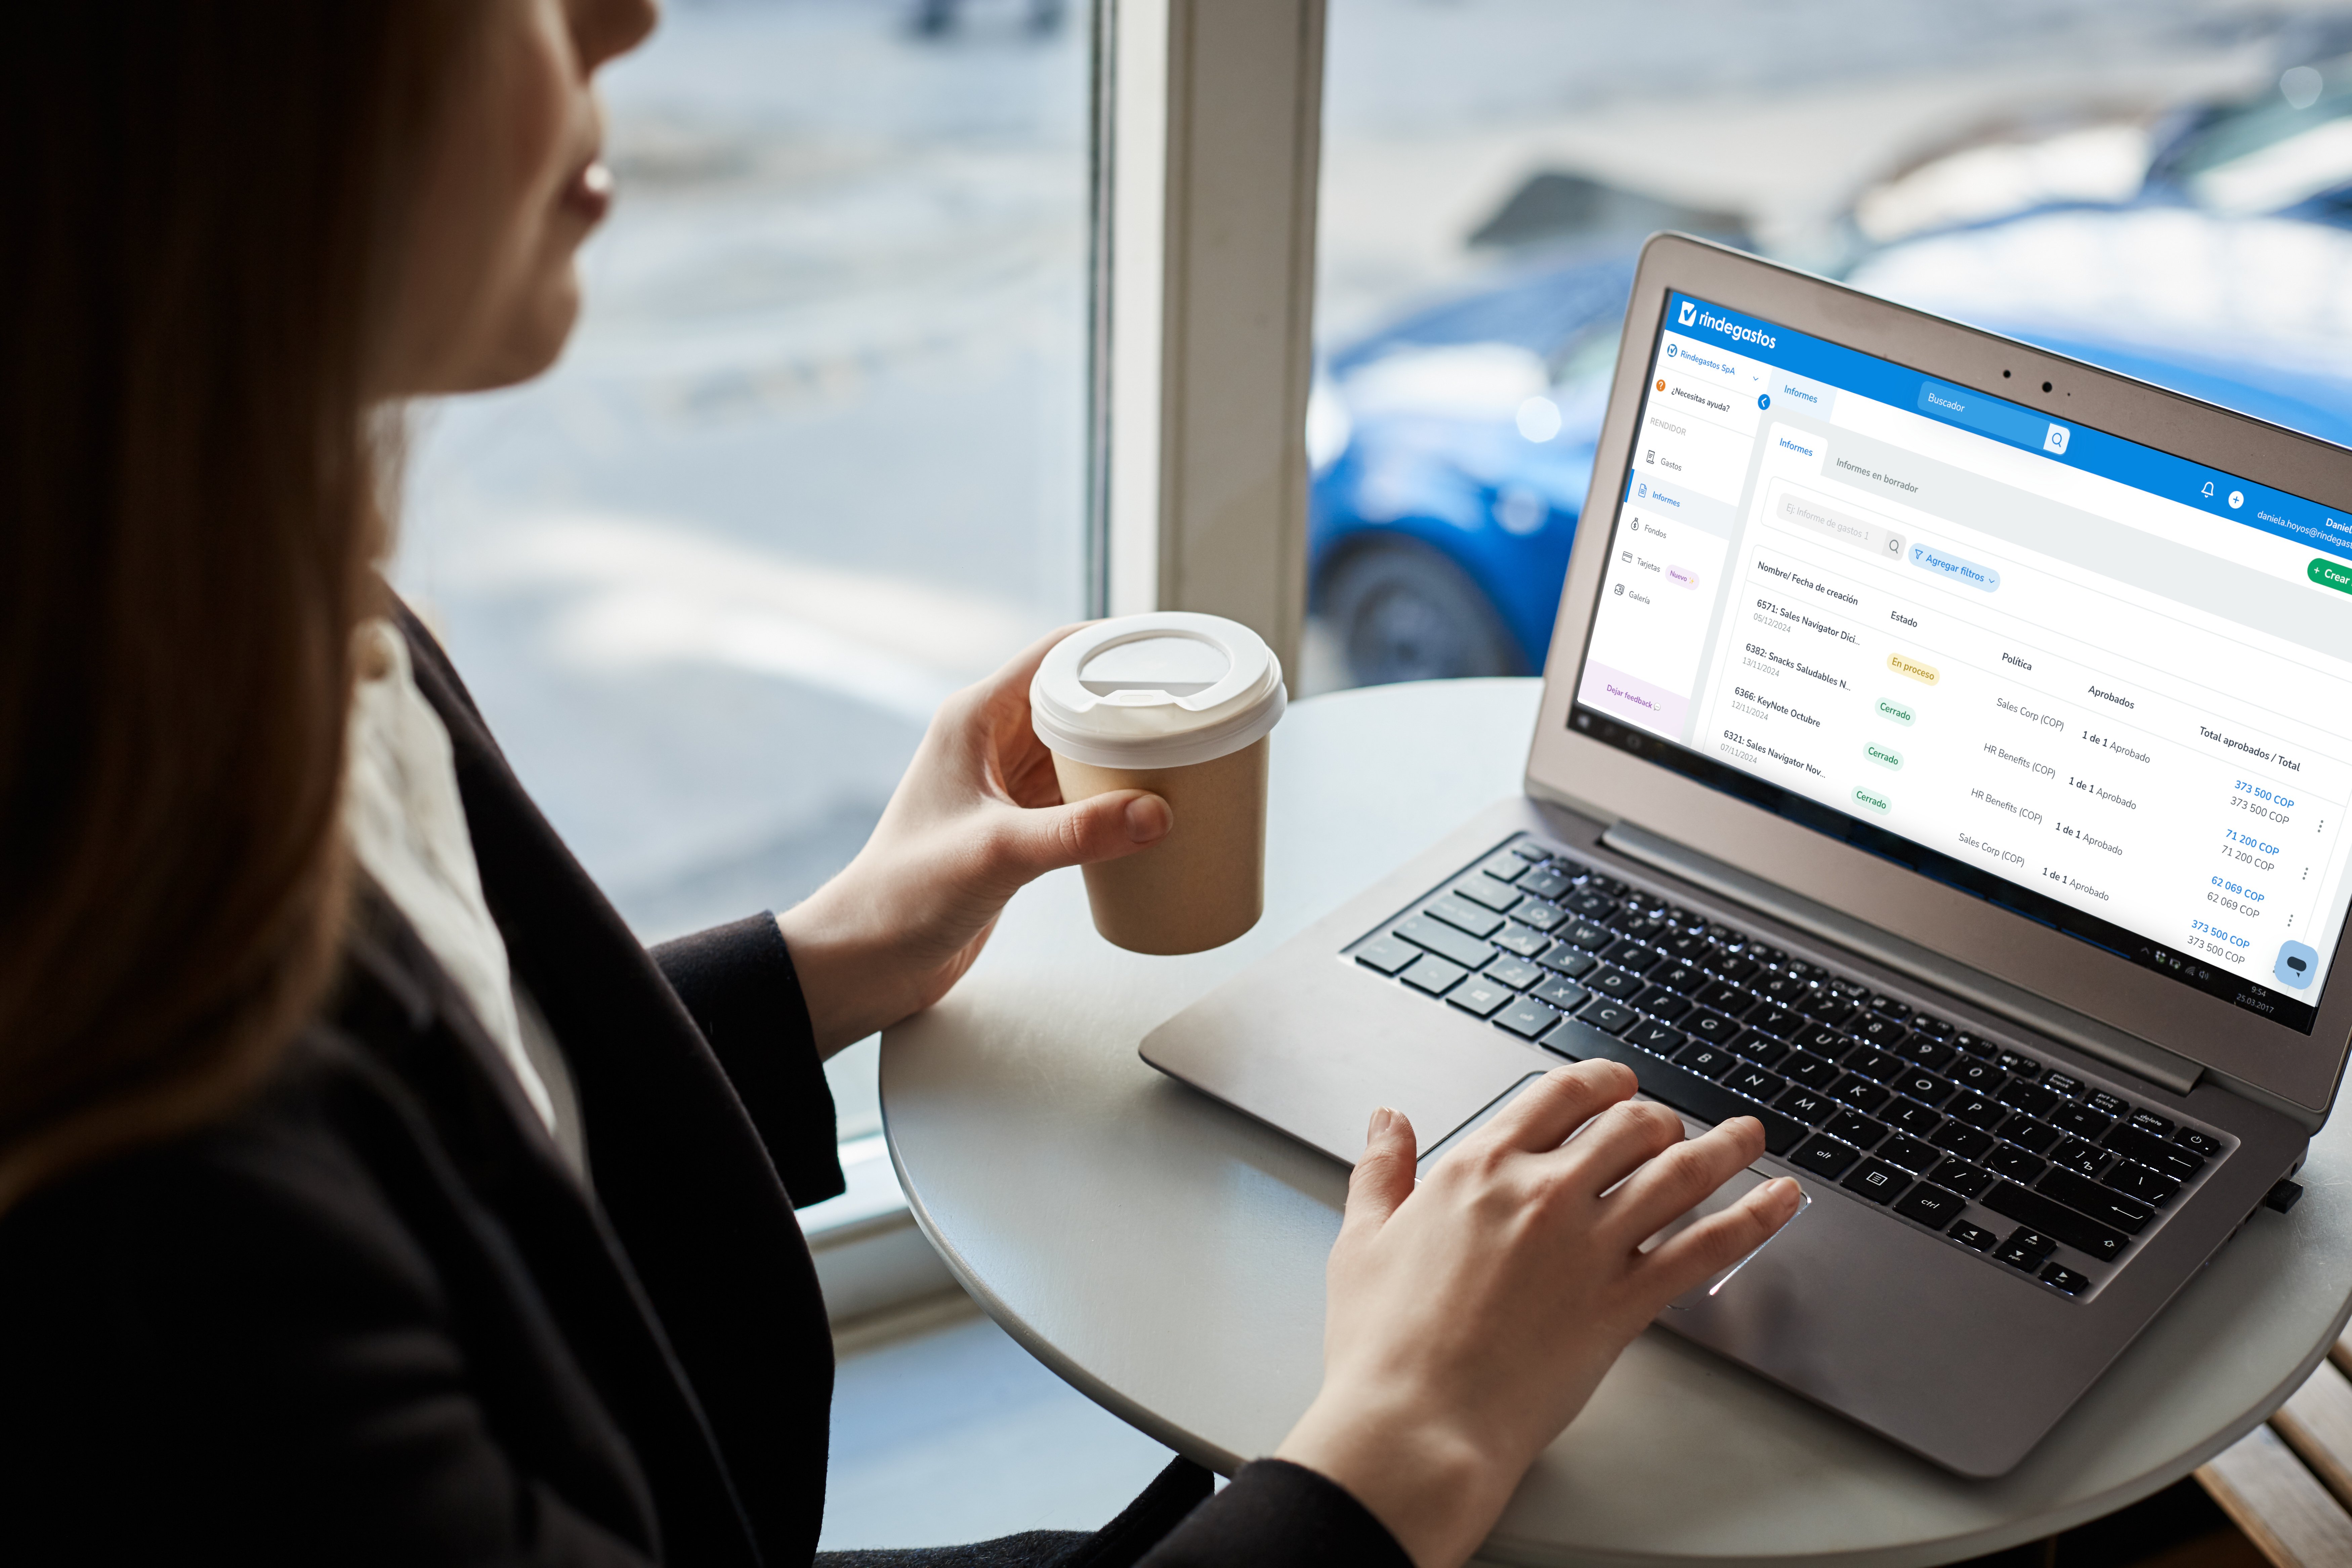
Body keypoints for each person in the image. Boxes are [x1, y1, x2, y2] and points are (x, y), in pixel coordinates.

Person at [0, 3, 1802, 1565]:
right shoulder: (153, 1185)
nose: (631, 18)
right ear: (217, 106)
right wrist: (1404, 1440)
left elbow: (468, 1143)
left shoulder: (251, 636)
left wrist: (823, 965)